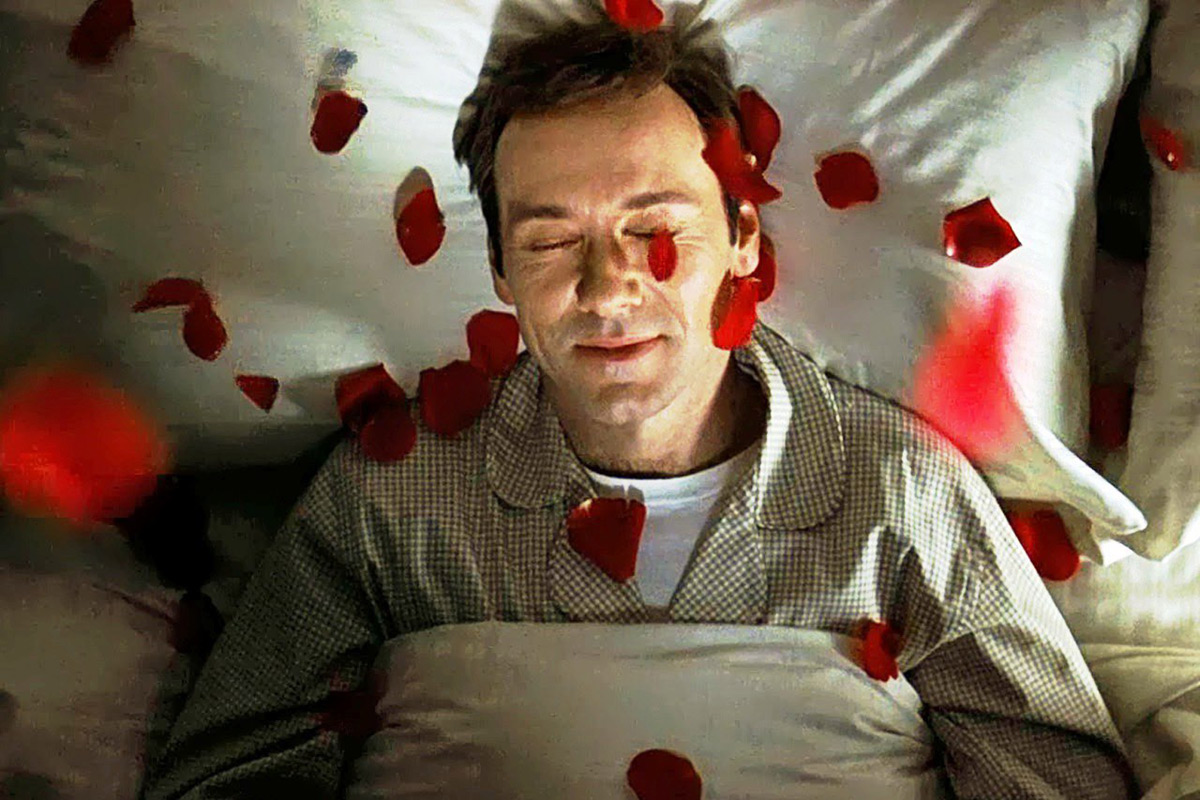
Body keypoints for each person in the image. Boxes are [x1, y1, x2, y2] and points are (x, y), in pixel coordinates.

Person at [140, 3, 1138, 798]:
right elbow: (230, 770)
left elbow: (1056, 778)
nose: (608, 287)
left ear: (743, 239)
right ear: (500, 274)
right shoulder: (388, 502)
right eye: (549, 241)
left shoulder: (904, 491)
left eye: (653, 229)